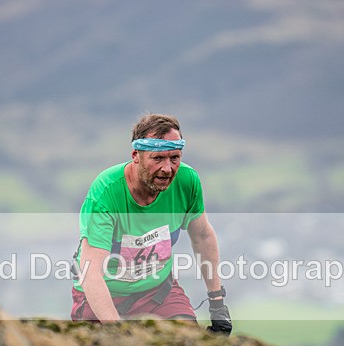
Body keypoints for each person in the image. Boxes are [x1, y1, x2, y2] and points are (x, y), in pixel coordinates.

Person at [70, 113, 232, 334]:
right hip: (104, 295)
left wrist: (217, 305)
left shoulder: (187, 181)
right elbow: (91, 274)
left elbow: (202, 236)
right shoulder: (106, 192)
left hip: (157, 292)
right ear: (136, 155)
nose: (167, 169)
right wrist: (119, 333)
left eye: (175, 158)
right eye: (158, 159)